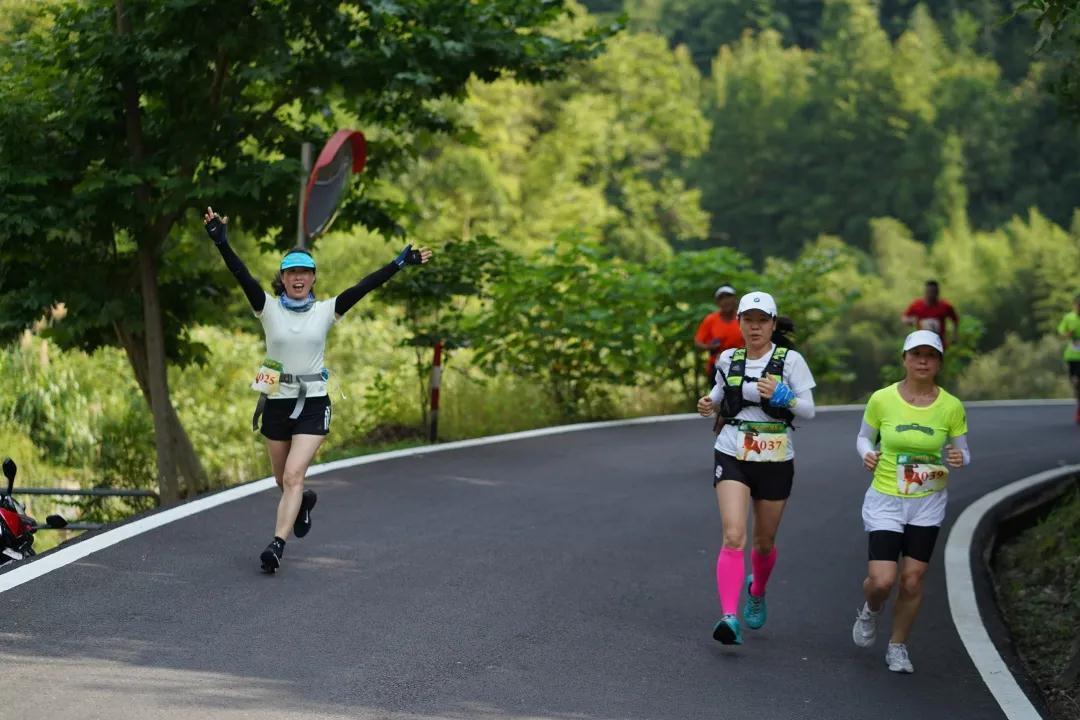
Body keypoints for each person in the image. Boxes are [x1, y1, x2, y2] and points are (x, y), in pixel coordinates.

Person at [202, 207, 432, 573]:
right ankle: (304, 501)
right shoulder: (267, 308)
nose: (298, 278)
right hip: (277, 401)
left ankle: (276, 546)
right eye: (292, 272)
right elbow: (240, 273)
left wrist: (398, 264)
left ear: (312, 278)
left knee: (293, 475)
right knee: (282, 479)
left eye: (305, 272)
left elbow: (363, 287)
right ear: (282, 278)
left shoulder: (326, 311)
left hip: (313, 402)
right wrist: (221, 243)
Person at [696, 291, 817, 645]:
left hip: (775, 457)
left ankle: (757, 589)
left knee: (764, 544)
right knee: (734, 536)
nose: (755, 327)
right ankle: (729, 617)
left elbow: (809, 411)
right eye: (748, 320)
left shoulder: (790, 361)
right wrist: (708, 403)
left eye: (762, 321)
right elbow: (718, 395)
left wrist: (783, 396)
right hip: (732, 451)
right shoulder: (728, 358)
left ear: (773, 324)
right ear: (739, 323)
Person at [852, 330, 971, 673]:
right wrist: (867, 453)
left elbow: (963, 451)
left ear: (939, 363)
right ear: (904, 359)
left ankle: (898, 646)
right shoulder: (882, 399)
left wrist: (959, 458)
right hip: (886, 497)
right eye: (916, 354)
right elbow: (863, 437)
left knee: (913, 579)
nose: (923, 361)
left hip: (927, 501)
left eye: (930, 356)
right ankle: (871, 609)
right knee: (882, 581)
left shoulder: (951, 406)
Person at [694, 285, 743, 388]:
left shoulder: (743, 318)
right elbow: (698, 341)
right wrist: (709, 347)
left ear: (735, 299)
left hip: (742, 364)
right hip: (717, 366)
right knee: (718, 395)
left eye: (728, 296)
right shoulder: (711, 320)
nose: (726, 301)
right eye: (721, 298)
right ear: (717, 302)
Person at [902, 280, 959, 348]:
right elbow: (904, 318)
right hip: (921, 342)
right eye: (929, 291)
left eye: (934, 292)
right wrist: (911, 321)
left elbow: (955, 320)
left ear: (937, 292)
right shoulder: (917, 305)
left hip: (939, 343)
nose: (931, 294)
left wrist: (954, 335)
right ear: (925, 292)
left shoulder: (945, 306)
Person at [1057, 293, 1080, 424]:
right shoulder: (1069, 318)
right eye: (1078, 305)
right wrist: (1068, 334)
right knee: (1075, 383)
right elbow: (1061, 333)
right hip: (1073, 356)